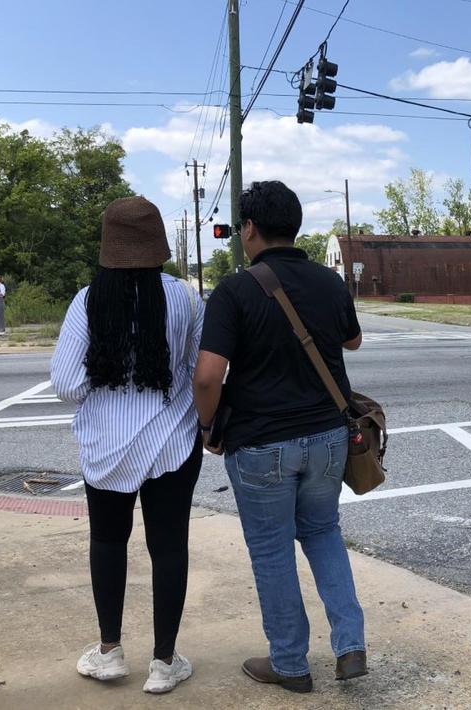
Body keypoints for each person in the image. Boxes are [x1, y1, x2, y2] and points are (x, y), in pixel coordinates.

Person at [193, 181, 367, 695]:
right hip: (329, 437)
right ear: (294, 226)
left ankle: (291, 663)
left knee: (272, 551)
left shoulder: (235, 289)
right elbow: (352, 340)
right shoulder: (330, 282)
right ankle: (350, 644)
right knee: (323, 533)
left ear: (249, 229)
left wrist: (209, 428)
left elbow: (207, 377)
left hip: (262, 443)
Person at [50, 196, 204, 695]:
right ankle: (164, 662)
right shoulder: (183, 297)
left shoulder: (88, 301)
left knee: (108, 543)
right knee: (169, 547)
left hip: (107, 448)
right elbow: (197, 368)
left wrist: (107, 375)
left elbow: (66, 384)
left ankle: (110, 652)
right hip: (173, 443)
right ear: (158, 243)